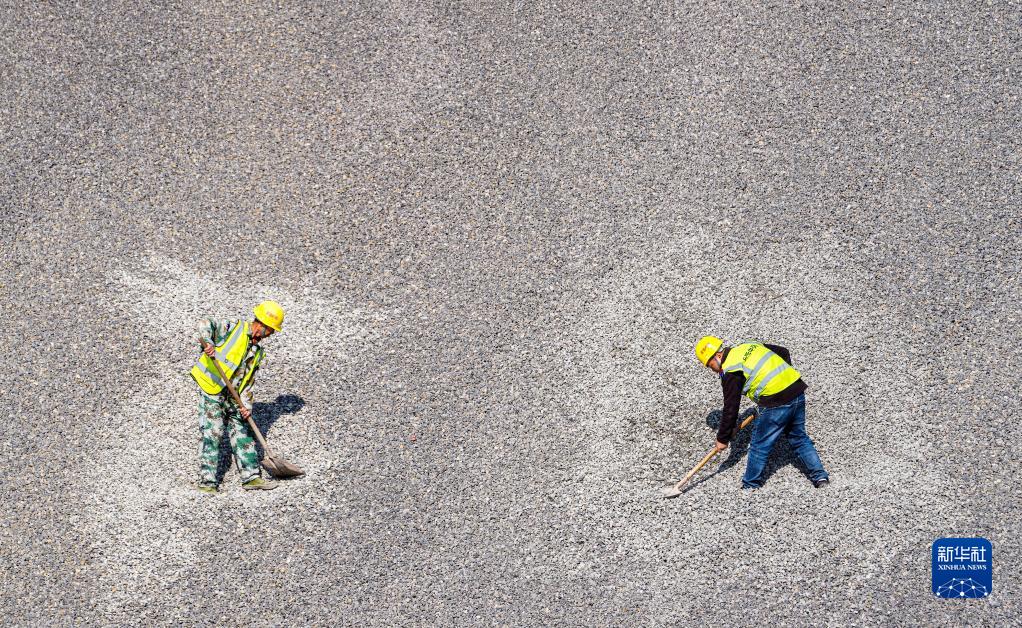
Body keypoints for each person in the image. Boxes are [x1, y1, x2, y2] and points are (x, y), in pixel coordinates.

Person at [694, 336, 830, 489]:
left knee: (759, 446)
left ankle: (750, 485)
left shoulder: (730, 369)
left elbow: (731, 407)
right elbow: (783, 352)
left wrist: (722, 439)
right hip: (796, 390)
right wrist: (784, 380)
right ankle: (820, 477)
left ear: (717, 356)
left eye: (710, 365)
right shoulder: (748, 346)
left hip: (775, 401)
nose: (712, 370)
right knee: (799, 438)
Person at [190, 300, 285, 493]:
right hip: (212, 387)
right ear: (262, 325)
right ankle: (207, 483)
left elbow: (248, 381)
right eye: (271, 330)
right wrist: (208, 343)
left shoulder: (257, 351)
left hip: (234, 396)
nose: (271, 334)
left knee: (243, 431)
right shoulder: (233, 328)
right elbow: (205, 324)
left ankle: (251, 478)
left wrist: (246, 406)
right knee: (213, 433)